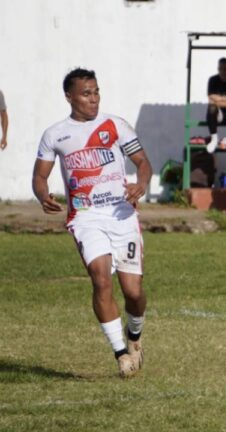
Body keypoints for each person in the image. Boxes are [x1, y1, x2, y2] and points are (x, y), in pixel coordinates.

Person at [32, 68, 151, 378]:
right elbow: (40, 176)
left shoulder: (116, 125)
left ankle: (135, 338)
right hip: (85, 217)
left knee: (133, 291)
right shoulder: (55, 134)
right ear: (69, 97)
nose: (93, 99)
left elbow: (142, 162)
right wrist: (42, 195)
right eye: (86, 93)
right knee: (100, 279)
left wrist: (141, 183)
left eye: (96, 92)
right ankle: (121, 354)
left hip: (121, 214)